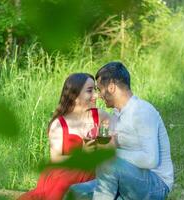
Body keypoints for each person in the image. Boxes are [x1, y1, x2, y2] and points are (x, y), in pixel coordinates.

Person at [67, 62, 174, 200]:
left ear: (111, 87)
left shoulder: (141, 111)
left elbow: (150, 160)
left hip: (156, 185)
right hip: (126, 181)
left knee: (109, 164)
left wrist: (112, 152)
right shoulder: (117, 116)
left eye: (99, 89)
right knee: (75, 191)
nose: (98, 95)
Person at [19, 73, 109, 200]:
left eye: (95, 90)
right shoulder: (59, 124)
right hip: (65, 175)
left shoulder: (101, 116)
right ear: (75, 95)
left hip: (92, 173)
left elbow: (113, 141)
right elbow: (55, 159)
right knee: (63, 188)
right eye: (90, 91)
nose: (96, 95)